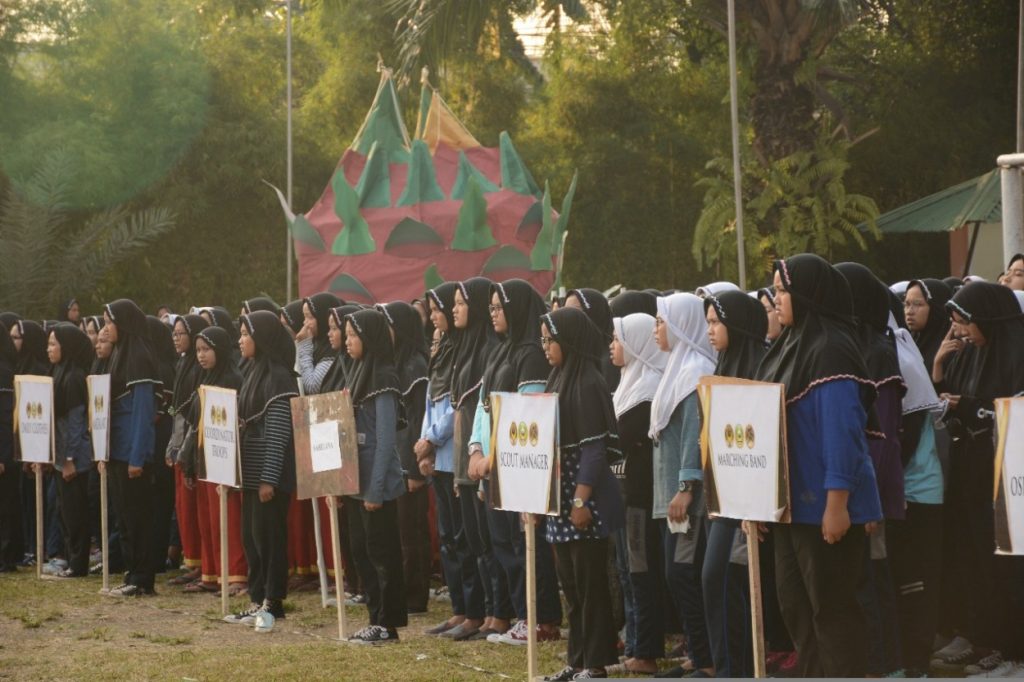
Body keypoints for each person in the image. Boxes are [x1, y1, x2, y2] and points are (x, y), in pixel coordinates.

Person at [754, 254, 882, 678]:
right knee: (796, 607)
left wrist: (837, 502)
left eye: (783, 288)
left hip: (825, 505)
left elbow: (841, 430)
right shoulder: (788, 347)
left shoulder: (831, 347)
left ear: (808, 292)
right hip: (793, 508)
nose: (776, 297)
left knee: (833, 612)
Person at [931, 282, 1024, 675]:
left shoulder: (1017, 355)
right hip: (970, 470)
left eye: (964, 322)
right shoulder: (970, 356)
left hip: (1007, 476)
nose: (960, 332)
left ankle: (1010, 645)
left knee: (1004, 561)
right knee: (970, 554)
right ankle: (979, 635)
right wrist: (938, 367)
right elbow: (948, 399)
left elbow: (1009, 410)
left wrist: (968, 407)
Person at [467, 279, 562, 646]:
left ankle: (541, 619)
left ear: (517, 308)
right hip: (494, 466)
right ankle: (522, 615)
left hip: (520, 467)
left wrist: (493, 457)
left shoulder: (530, 355)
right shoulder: (498, 353)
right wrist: (476, 450)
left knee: (527, 544)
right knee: (504, 543)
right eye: (489, 307)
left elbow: (529, 416)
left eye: (498, 307)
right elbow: (483, 407)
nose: (492, 314)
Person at [540, 307, 623, 681]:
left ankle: (595, 662)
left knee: (590, 585)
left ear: (568, 340)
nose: (545, 346)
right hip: (560, 500)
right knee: (571, 586)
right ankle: (575, 661)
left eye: (550, 339)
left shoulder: (588, 382)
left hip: (581, 501)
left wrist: (580, 500)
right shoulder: (557, 378)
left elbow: (593, 449)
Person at [837, 262, 906, 676]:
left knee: (875, 580)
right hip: (863, 489)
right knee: (859, 581)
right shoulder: (854, 345)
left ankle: (886, 666)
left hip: (873, 493)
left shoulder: (878, 351)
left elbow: (882, 436)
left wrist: (870, 503)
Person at [701, 290, 770, 677]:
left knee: (725, 577)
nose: (710, 330)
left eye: (716, 321)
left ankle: (740, 668)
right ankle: (729, 666)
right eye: (708, 322)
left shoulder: (760, 365)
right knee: (719, 579)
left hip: (749, 494)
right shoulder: (724, 362)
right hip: (724, 491)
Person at [650, 292, 716, 678]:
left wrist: (687, 485)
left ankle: (706, 660)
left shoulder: (695, 372)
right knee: (678, 573)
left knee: (683, 572)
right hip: (671, 493)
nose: (658, 329)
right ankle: (697, 652)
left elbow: (696, 432)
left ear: (681, 324)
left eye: (662, 321)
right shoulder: (676, 368)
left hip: (686, 496)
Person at [224, 311, 299, 625]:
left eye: (245, 334)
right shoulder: (253, 371)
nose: (240, 340)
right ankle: (257, 599)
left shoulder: (280, 377)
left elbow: (279, 431)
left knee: (269, 538)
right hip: (250, 474)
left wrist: (269, 477)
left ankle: (273, 601)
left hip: (270, 476)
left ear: (262, 337)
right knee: (252, 537)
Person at [341, 308, 408, 645]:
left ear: (369, 337)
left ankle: (387, 623)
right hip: (355, 480)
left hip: (374, 484)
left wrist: (375, 491)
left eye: (354, 335)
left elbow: (384, 441)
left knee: (382, 553)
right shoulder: (355, 373)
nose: (348, 341)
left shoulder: (383, 377)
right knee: (360, 550)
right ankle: (373, 617)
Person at [418, 284, 480, 637]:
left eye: (438, 309)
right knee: (448, 539)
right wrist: (425, 443)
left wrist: (432, 439)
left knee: (462, 535)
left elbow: (456, 404)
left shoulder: (460, 350)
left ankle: (474, 609)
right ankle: (459, 608)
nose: (436, 316)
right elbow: (430, 399)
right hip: (436, 455)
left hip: (452, 452)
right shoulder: (440, 352)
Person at [449, 277, 508, 641]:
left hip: (486, 461)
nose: (455, 309)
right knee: (473, 541)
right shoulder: (464, 349)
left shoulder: (490, 349)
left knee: (492, 541)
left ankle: (499, 611)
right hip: (467, 458)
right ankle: (482, 611)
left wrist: (479, 455)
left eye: (459, 302)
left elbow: (486, 410)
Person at [609, 312, 666, 675]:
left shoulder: (649, 391)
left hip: (640, 498)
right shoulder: (628, 384)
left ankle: (645, 649)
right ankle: (633, 643)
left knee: (640, 571)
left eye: (618, 339)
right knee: (626, 572)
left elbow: (621, 439)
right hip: (621, 494)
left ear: (636, 343)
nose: (612, 347)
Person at [103, 299, 160, 597]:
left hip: (132, 454)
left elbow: (141, 411)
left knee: (138, 517)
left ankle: (142, 577)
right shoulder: (118, 354)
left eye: (109, 321)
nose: (106, 328)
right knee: (123, 516)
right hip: (116, 450)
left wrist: (137, 457)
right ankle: (130, 572)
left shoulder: (138, 355)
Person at [380, 301, 431, 615]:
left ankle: (416, 594)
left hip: (408, 461)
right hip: (395, 460)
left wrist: (413, 469)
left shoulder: (414, 366)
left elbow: (417, 419)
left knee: (411, 531)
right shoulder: (395, 362)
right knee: (399, 530)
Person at [191, 325, 248, 596]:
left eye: (207, 349)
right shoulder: (203, 378)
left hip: (227, 458)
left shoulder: (233, 378)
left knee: (230, 518)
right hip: (206, 454)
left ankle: (237, 575)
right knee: (211, 520)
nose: (201, 355)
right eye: (198, 350)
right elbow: (185, 412)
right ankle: (213, 572)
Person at [166, 314, 210, 589]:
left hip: (192, 447)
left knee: (198, 510)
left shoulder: (198, 368)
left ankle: (205, 564)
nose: (176, 337)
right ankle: (192, 560)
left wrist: (183, 448)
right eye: (174, 333)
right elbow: (177, 410)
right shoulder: (182, 364)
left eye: (181, 333)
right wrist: (171, 444)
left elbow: (194, 416)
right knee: (184, 510)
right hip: (180, 443)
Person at [47, 323, 95, 578]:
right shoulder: (57, 372)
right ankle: (69, 557)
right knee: (63, 510)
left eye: (54, 344)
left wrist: (68, 459)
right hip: (59, 454)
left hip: (74, 458)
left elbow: (76, 423)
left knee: (76, 512)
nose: (49, 349)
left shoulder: (74, 377)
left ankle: (79, 563)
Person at [0, 318, 22, 573]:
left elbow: (5, 419)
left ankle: (7, 556)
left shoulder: (4, 371)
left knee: (6, 506)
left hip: (4, 451)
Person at [296, 292, 342, 395]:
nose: (305, 323)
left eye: (310, 317)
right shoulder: (318, 345)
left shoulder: (332, 349)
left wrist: (304, 345)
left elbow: (312, 387)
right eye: (304, 317)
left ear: (322, 317)